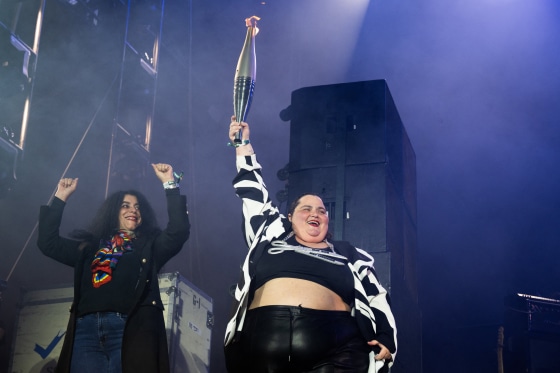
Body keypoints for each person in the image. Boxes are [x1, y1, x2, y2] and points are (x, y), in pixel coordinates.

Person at [224, 118, 397, 373]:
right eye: (306, 208)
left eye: (322, 211)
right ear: (289, 217)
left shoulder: (348, 254)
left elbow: (377, 295)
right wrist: (243, 143)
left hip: (337, 346)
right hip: (263, 337)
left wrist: (386, 337)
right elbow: (253, 191)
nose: (315, 213)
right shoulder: (271, 234)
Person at [37, 163, 190, 373]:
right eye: (125, 205)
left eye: (137, 207)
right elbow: (47, 242)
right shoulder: (89, 248)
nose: (133, 210)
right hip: (86, 330)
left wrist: (169, 183)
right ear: (113, 211)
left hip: (130, 329)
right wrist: (60, 197)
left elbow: (178, 231)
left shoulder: (149, 247)